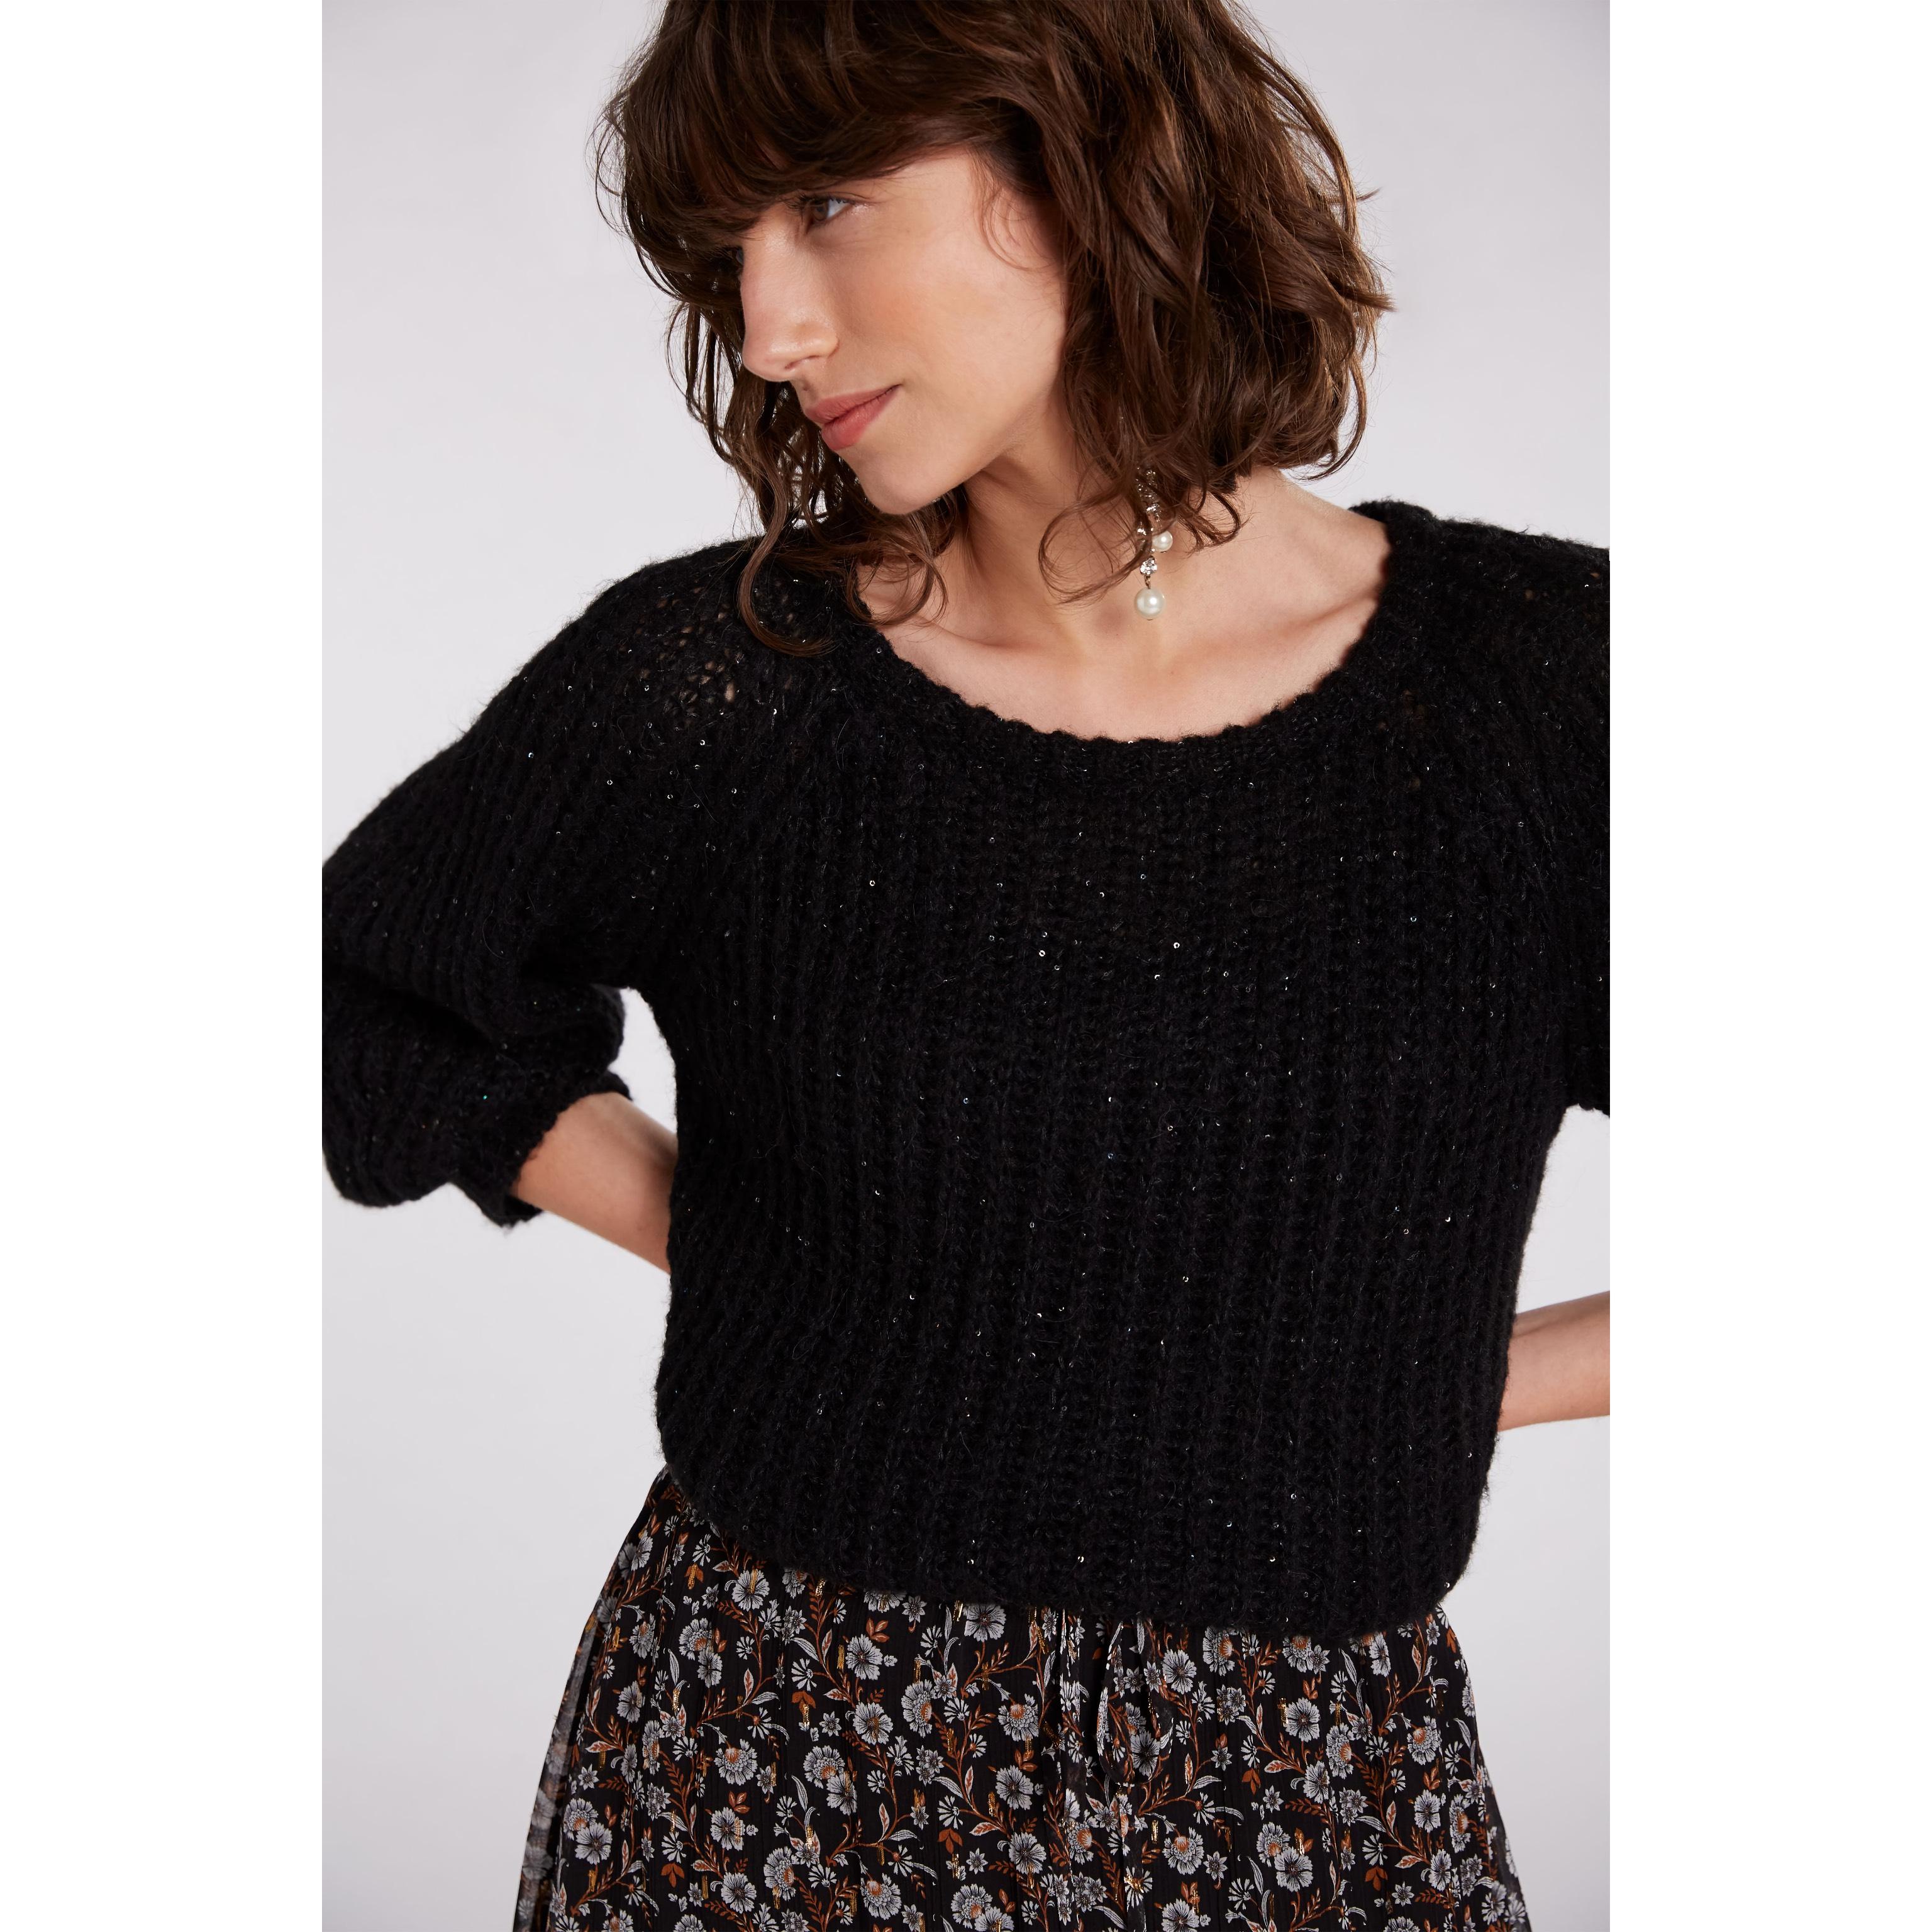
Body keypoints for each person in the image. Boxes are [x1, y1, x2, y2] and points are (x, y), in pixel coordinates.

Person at [321, 2, 1607, 1927]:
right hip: (752, 1767)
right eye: (729, 252)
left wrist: (1405, 1382)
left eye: (830, 204)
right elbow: (350, 990)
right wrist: (737, 1239)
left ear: (1090, 157)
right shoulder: (728, 691)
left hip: (1304, 1807)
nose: (770, 329)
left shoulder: (1544, 705)